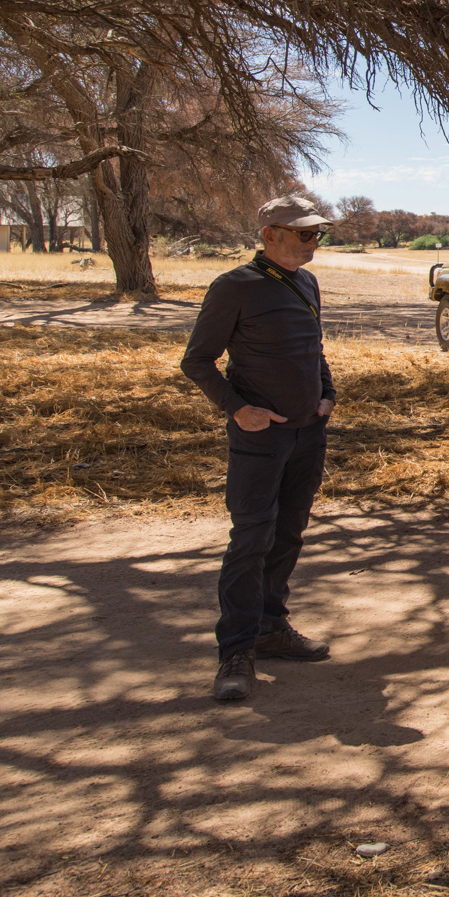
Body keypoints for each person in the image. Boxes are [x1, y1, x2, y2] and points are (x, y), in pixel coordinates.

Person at [180, 195, 339, 702]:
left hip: (307, 434)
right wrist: (238, 409)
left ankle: (272, 627)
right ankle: (237, 650)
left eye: (318, 234)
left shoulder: (307, 281)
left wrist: (327, 393)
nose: (314, 242)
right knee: (251, 540)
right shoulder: (234, 287)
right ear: (270, 234)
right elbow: (198, 361)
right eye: (305, 234)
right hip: (259, 437)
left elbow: (312, 346)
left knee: (289, 533)